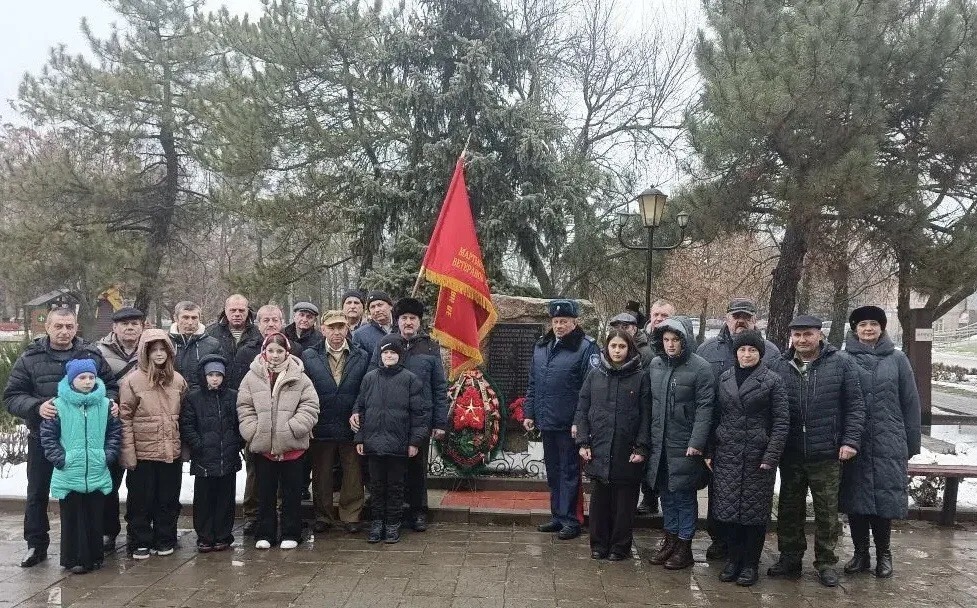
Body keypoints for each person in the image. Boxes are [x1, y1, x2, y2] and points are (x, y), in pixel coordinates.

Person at [4, 307, 118, 568]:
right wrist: (36, 407)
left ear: (76, 327)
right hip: (44, 438)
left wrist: (111, 402)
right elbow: (12, 397)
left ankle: (91, 543)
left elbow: (109, 386)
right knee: (37, 492)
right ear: (48, 327)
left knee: (89, 493)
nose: (64, 331)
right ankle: (36, 544)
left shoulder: (90, 354)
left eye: (69, 326)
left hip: (85, 442)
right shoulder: (30, 358)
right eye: (58, 326)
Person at [767, 315, 865, 587]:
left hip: (828, 452)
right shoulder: (779, 365)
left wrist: (850, 441)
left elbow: (855, 406)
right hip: (792, 452)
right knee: (789, 509)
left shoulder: (842, 363)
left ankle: (826, 563)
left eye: (807, 334)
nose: (802, 340)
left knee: (826, 512)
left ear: (819, 336)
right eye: (797, 335)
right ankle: (790, 558)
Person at [840, 306, 921, 579]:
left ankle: (884, 554)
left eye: (874, 324)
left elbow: (910, 402)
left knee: (883, 500)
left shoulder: (898, 360)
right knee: (856, 499)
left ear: (882, 327)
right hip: (855, 440)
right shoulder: (844, 359)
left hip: (889, 439)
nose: (868, 329)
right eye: (863, 324)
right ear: (854, 329)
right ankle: (860, 553)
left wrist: (911, 443)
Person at [698, 297, 781, 561]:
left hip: (756, 445)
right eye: (736, 316)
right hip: (724, 443)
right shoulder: (707, 350)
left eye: (746, 316)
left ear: (754, 320)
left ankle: (747, 558)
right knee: (720, 496)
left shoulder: (772, 352)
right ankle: (720, 540)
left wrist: (770, 449)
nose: (741, 321)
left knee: (753, 503)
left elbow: (778, 408)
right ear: (727, 318)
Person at [708, 331, 789, 587]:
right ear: (735, 353)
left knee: (753, 514)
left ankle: (750, 564)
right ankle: (732, 560)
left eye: (752, 350)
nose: (746, 355)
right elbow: (715, 416)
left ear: (760, 354)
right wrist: (711, 449)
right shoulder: (725, 378)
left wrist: (771, 456)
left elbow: (781, 422)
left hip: (757, 456)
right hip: (728, 454)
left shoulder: (772, 381)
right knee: (729, 511)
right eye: (742, 350)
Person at [367, 297, 447, 532]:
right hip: (390, 417)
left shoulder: (430, 347)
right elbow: (372, 378)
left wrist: (439, 422)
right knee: (390, 467)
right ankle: (392, 512)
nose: (408, 322)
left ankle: (418, 510)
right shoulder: (386, 343)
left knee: (417, 468)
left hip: (419, 417)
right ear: (397, 320)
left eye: (413, 318)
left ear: (419, 322)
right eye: (404, 318)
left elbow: (439, 386)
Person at [523, 299, 598, 540]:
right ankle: (557, 516)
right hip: (547, 420)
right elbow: (534, 383)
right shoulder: (542, 346)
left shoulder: (586, 348)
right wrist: (529, 413)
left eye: (564, 321)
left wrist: (581, 421)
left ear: (574, 322)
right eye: (555, 321)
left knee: (569, 472)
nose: (559, 326)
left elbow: (589, 390)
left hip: (570, 424)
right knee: (554, 471)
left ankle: (571, 520)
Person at [237, 333, 319, 550]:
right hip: (264, 447)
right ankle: (265, 532)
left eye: (279, 351)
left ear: (287, 352)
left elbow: (310, 406)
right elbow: (244, 407)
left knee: (292, 493)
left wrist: (293, 428)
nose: (275, 355)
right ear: (264, 351)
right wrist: (253, 431)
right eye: (271, 350)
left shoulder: (299, 376)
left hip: (292, 447)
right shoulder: (252, 377)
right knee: (265, 492)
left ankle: (291, 532)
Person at [644, 319, 715, 570]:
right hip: (659, 443)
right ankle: (670, 539)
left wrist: (697, 442)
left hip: (684, 443)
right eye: (666, 340)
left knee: (684, 495)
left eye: (675, 340)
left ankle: (684, 545)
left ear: (684, 341)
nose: (671, 345)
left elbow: (706, 407)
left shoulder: (700, 368)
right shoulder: (655, 365)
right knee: (666, 494)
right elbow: (649, 404)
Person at [573, 329, 650, 561]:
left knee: (624, 503)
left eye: (622, 347)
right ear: (606, 347)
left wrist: (641, 447)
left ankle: (620, 546)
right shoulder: (595, 375)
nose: (617, 351)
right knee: (600, 502)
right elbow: (583, 409)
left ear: (629, 349)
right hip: (599, 446)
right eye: (613, 346)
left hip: (626, 449)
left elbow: (647, 415)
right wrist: (583, 441)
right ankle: (598, 543)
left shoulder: (640, 377)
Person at [40, 359, 121, 574]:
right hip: (70, 471)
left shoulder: (105, 405)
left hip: (96, 469)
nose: (87, 382)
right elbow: (49, 436)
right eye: (82, 377)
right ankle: (73, 557)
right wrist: (60, 458)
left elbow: (114, 433)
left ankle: (94, 556)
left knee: (94, 516)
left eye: (91, 377)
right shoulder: (57, 405)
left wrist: (107, 455)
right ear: (71, 379)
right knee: (72, 518)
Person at [118, 329, 188, 560]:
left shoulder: (177, 380)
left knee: (168, 498)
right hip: (143, 451)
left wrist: (183, 448)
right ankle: (139, 540)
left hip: (170, 451)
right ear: (145, 353)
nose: (159, 354)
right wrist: (128, 453)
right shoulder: (132, 381)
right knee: (141, 500)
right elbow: (125, 417)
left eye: (162, 349)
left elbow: (184, 415)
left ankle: (165, 537)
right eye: (153, 350)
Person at [352, 335, 427, 544]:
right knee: (376, 486)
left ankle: (393, 523)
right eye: (385, 353)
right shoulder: (369, 378)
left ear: (400, 355)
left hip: (399, 444)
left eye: (393, 353)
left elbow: (418, 415)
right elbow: (361, 410)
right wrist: (360, 438)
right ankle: (377, 523)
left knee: (395, 486)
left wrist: (414, 442)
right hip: (374, 443)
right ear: (380, 355)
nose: (389, 356)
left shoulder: (410, 379)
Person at [302, 310, 370, 534]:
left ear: (347, 329)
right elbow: (305, 390)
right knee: (321, 472)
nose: (336, 332)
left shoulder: (361, 355)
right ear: (323, 329)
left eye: (341, 327)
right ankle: (323, 515)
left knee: (353, 472)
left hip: (351, 423)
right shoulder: (309, 356)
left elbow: (365, 388)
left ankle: (351, 515)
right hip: (321, 423)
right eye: (331, 327)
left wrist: (357, 410)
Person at [95, 306, 145, 554]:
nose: (130, 328)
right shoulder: (98, 352)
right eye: (124, 324)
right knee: (110, 482)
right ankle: (108, 532)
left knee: (140, 485)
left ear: (142, 327)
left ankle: (139, 532)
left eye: (135, 323)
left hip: (142, 426)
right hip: (110, 426)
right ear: (114, 327)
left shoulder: (151, 350)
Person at [180, 355, 241, 552]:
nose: (214, 379)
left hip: (227, 457)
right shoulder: (194, 398)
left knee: (225, 499)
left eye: (218, 375)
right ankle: (205, 536)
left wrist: (235, 443)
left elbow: (239, 423)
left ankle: (223, 534)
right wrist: (199, 444)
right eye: (211, 375)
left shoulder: (232, 396)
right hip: (204, 458)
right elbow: (187, 425)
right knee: (204, 500)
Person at [637, 298, 677, 516]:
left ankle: (658, 497)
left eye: (665, 315)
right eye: (656, 315)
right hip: (645, 403)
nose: (660, 319)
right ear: (650, 316)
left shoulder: (677, 340)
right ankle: (648, 497)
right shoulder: (641, 343)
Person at [168, 301, 220, 391]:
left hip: (201, 398)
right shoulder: (166, 343)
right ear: (175, 318)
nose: (190, 322)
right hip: (171, 395)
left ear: (200, 319)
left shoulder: (213, 345)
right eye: (185, 317)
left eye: (194, 318)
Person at [206, 294, 261, 362]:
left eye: (241, 310)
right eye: (233, 310)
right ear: (225, 310)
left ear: (247, 311)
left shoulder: (259, 332)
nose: (237, 314)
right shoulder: (211, 332)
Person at [353, 291, 394, 356]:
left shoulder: (404, 327)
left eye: (380, 305)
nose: (377, 310)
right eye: (372, 307)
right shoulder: (361, 335)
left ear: (390, 306)